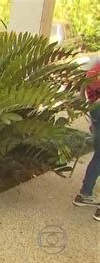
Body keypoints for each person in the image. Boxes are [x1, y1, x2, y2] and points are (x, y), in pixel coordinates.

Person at [73, 61, 100, 221]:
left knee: (98, 156)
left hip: (96, 111)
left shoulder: (95, 65)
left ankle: (85, 194)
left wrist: (91, 116)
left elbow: (83, 87)